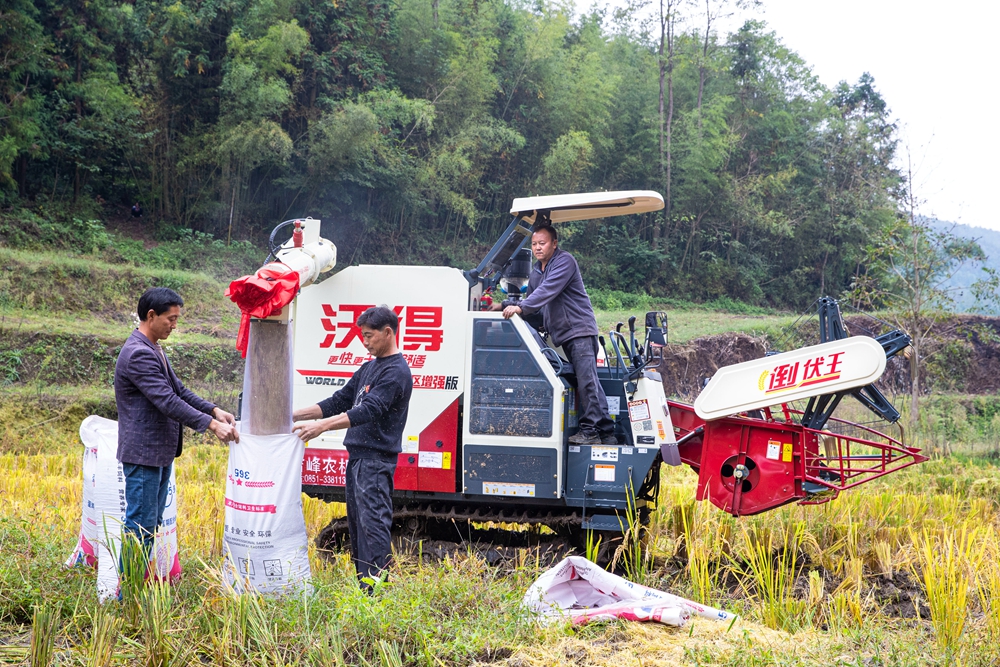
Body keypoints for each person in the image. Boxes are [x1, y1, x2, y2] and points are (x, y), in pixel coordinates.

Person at [115, 287, 239, 584]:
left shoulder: (153, 347)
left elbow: (178, 390)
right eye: (170, 319)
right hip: (144, 453)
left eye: (176, 319)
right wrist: (212, 426)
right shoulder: (138, 354)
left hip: (157, 451)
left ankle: (136, 585)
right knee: (140, 525)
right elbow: (167, 401)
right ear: (151, 315)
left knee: (149, 522)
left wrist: (214, 410)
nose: (174, 325)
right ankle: (128, 593)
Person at [292, 306, 413, 591]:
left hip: (375, 461)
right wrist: (294, 415)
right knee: (358, 529)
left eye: (369, 336)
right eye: (362, 336)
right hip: (358, 459)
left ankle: (375, 593)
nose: (365, 341)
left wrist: (321, 427)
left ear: (387, 332)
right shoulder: (370, 367)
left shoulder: (396, 372)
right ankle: (365, 590)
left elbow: (368, 410)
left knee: (373, 527)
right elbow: (340, 400)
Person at [502, 223, 617, 446]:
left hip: (580, 330)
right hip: (565, 334)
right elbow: (534, 307)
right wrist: (505, 305)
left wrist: (521, 308)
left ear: (554, 244)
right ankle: (606, 432)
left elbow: (547, 292)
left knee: (587, 382)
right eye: (534, 244)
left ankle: (590, 431)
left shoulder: (564, 262)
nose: (537, 248)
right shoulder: (536, 273)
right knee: (589, 382)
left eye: (542, 243)